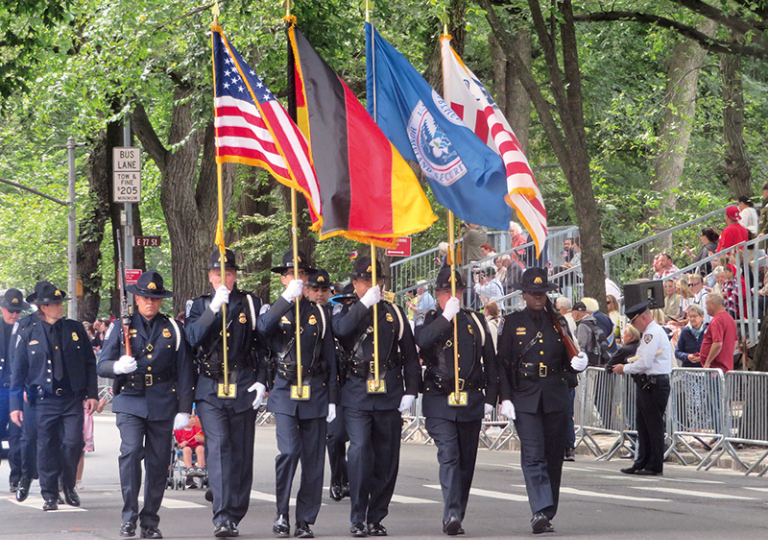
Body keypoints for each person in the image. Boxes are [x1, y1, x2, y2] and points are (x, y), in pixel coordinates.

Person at [98, 271, 194, 538]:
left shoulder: (173, 328)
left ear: (160, 300)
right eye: (145, 298)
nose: (150, 302)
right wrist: (117, 367)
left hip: (162, 400)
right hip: (130, 398)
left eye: (155, 298)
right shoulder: (121, 326)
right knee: (130, 453)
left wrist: (184, 409)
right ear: (137, 299)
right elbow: (102, 364)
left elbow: (185, 371)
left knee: (158, 463)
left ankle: (150, 521)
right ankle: (129, 517)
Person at [332, 256, 421, 537]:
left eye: (376, 280)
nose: (372, 285)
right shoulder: (346, 310)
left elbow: (410, 355)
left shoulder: (394, 313)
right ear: (355, 282)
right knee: (359, 452)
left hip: (388, 391)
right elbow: (341, 331)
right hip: (357, 392)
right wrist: (363, 305)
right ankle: (358, 516)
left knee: (387, 457)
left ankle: (376, 516)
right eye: (365, 280)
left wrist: (411, 390)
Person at [496, 267, 588, 534]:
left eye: (542, 292)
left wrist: (578, 364)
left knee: (553, 457)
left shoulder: (558, 323)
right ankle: (539, 509)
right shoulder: (511, 322)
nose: (538, 297)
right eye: (533, 292)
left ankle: (547, 512)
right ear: (524, 294)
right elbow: (503, 364)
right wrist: (505, 397)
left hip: (554, 394)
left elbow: (568, 359)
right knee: (533, 454)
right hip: (525, 395)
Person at [256, 255, 337, 539]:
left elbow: (330, 357)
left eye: (302, 273)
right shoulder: (273, 309)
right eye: (292, 273)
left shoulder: (319, 313)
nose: (298, 278)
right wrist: (285, 299)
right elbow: (263, 329)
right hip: (285, 389)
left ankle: (305, 520)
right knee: (290, 452)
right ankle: (281, 513)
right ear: (283, 278)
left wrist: (332, 398)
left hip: (315, 390)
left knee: (313, 462)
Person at [185, 248, 264, 538]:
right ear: (210, 277)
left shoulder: (250, 304)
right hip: (210, 388)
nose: (223, 279)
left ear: (235, 276)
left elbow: (262, 347)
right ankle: (222, 516)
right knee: (219, 448)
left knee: (241, 453)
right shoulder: (199, 305)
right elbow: (192, 338)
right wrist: (213, 309)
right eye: (218, 274)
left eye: (228, 273)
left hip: (243, 385)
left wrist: (262, 381)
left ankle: (235, 512)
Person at [415, 267, 498, 536]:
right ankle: (451, 512)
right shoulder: (429, 319)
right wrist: (445, 317)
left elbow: (490, 360)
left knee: (466, 461)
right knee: (449, 454)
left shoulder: (475, 320)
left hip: (470, 399)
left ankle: (457, 514)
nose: (452, 296)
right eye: (446, 292)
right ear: (437, 293)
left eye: (458, 291)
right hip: (439, 399)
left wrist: (491, 397)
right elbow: (422, 341)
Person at [9, 281, 99, 511]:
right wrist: (15, 405)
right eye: (55, 304)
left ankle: (67, 484)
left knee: (74, 442)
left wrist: (92, 394)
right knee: (46, 446)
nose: (60, 307)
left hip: (71, 398)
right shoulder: (29, 332)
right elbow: (18, 372)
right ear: (43, 307)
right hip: (43, 399)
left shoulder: (74, 329)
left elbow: (89, 363)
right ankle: (49, 494)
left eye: (61, 303)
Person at [612, 302, 672, 476]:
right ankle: (642, 461)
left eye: (634, 321)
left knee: (653, 426)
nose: (633, 325)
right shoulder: (649, 333)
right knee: (643, 425)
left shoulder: (652, 333)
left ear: (643, 318)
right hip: (647, 383)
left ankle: (654, 464)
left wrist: (625, 368)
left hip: (654, 383)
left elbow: (645, 362)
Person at [326, 283, 357, 503]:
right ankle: (338, 478)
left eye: (351, 302)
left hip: (358, 386)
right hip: (338, 385)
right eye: (344, 301)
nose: (347, 306)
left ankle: (355, 480)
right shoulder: (333, 319)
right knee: (335, 436)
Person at [0, 289, 27, 493]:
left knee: (18, 437)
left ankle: (16, 478)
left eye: (18, 311)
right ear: (2, 309)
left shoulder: (27, 329)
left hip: (18, 391)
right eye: (11, 310)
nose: (14, 315)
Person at [691, 293, 736, 373]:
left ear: (713, 304)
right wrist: (703, 356)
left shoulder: (717, 320)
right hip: (725, 368)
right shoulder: (730, 319)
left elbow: (717, 344)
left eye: (707, 304)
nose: (705, 307)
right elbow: (735, 342)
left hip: (715, 370)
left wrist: (708, 362)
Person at [174, 410, 205, 487]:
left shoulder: (198, 430)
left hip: (196, 448)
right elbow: (175, 445)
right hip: (184, 451)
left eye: (193, 417)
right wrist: (180, 445)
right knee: (186, 449)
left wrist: (201, 439)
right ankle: (189, 468)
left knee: (200, 448)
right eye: (189, 417)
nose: (192, 419)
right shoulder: (178, 431)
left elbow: (205, 441)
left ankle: (201, 468)